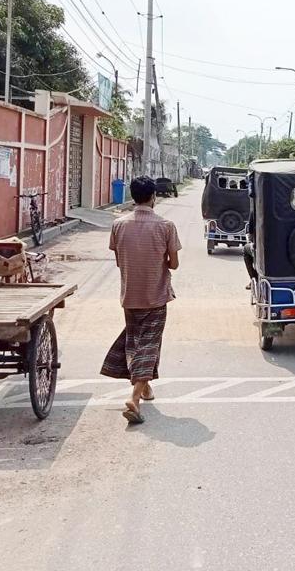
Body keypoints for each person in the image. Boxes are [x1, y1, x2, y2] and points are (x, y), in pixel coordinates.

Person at [100, 176, 182, 424]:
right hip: (155, 296)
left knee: (136, 343)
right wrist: (162, 262)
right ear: (153, 196)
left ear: (133, 196)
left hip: (130, 296)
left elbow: (118, 259)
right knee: (148, 346)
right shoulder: (166, 226)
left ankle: (145, 389)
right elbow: (174, 264)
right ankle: (134, 399)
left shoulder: (119, 225)